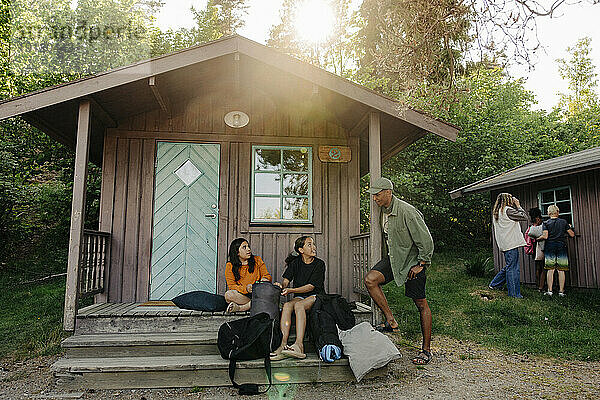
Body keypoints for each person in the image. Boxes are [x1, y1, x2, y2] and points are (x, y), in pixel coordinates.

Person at [363, 177, 434, 365]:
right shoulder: (381, 211)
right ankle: (391, 321)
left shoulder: (407, 212)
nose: (375, 199)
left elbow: (426, 240)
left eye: (377, 195)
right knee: (371, 279)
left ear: (388, 192)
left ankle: (426, 351)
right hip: (395, 259)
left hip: (412, 262)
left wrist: (422, 263)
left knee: (420, 304)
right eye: (374, 195)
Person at [270, 236, 326, 360]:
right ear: (301, 250)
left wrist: (291, 290)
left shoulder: (319, 264)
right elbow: (286, 280)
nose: (314, 247)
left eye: (313, 244)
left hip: (316, 296)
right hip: (300, 296)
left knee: (298, 305)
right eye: (309, 245)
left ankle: (299, 345)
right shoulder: (295, 263)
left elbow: (311, 287)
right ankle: (283, 345)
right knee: (287, 305)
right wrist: (282, 286)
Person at [488, 193, 529, 298]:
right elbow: (524, 217)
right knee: (513, 268)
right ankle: (514, 294)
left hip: (504, 243)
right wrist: (518, 205)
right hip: (511, 243)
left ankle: (495, 284)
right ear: (508, 200)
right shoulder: (508, 210)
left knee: (510, 266)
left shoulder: (497, 212)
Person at [224, 238, 272, 313]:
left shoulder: (257, 260)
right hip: (242, 296)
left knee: (265, 297)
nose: (249, 249)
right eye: (244, 247)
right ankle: (254, 304)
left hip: (257, 294)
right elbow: (231, 286)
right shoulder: (230, 266)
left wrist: (265, 279)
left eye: (248, 246)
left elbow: (267, 276)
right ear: (237, 252)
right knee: (228, 295)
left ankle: (241, 308)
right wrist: (246, 289)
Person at [538, 205, 575, 297]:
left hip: (550, 247)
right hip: (561, 246)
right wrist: (569, 227)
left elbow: (545, 236)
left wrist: (537, 238)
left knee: (550, 269)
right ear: (557, 212)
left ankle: (550, 291)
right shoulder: (563, 222)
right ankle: (561, 292)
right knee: (561, 270)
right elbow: (572, 234)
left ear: (548, 213)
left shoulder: (546, 223)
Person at [527, 207, 546, 292]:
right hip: (541, 247)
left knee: (538, 267)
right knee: (543, 267)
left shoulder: (531, 225)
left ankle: (538, 285)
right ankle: (541, 287)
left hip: (534, 248)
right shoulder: (541, 223)